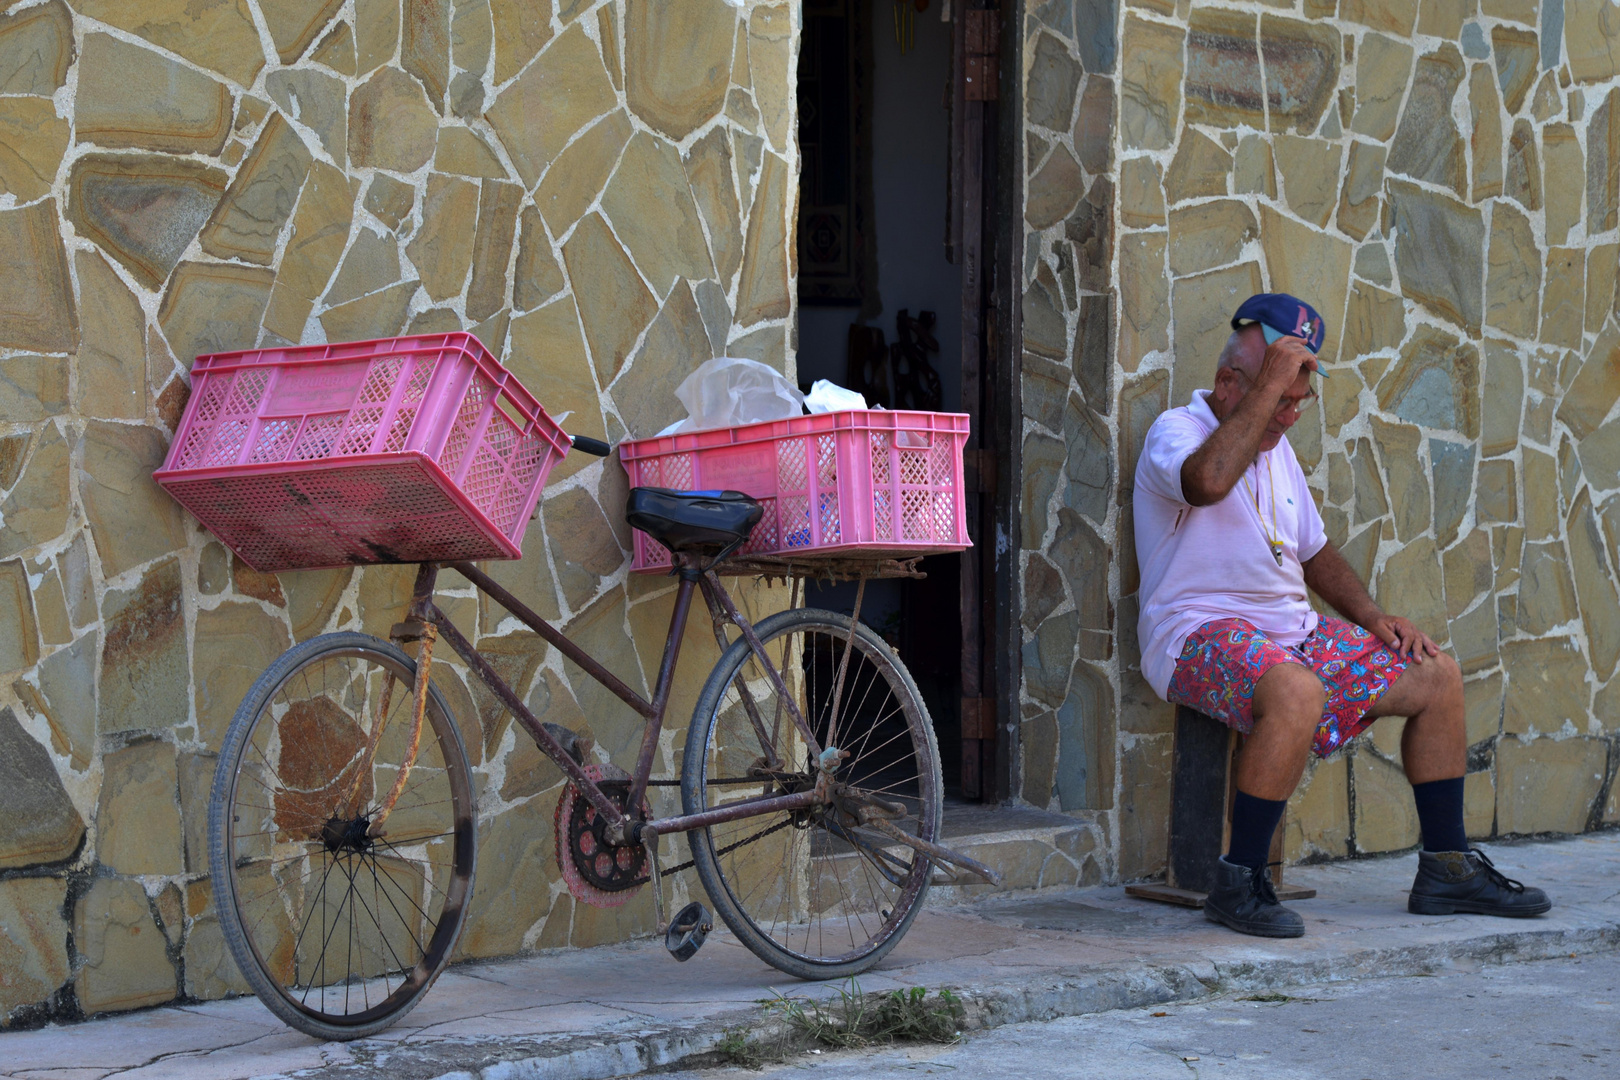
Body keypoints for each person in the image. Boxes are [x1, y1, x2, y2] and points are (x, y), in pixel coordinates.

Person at [1133, 292, 1551, 938]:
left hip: (1291, 636)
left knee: (1435, 674)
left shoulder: (1277, 454)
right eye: (1282, 397)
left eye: (1299, 400)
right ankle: (1238, 882)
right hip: (1195, 635)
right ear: (1228, 383)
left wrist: (1375, 618)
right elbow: (1207, 482)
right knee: (1296, 689)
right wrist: (1266, 389)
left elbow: (1316, 552)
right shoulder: (1178, 433)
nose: (1291, 414)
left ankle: (1447, 868)